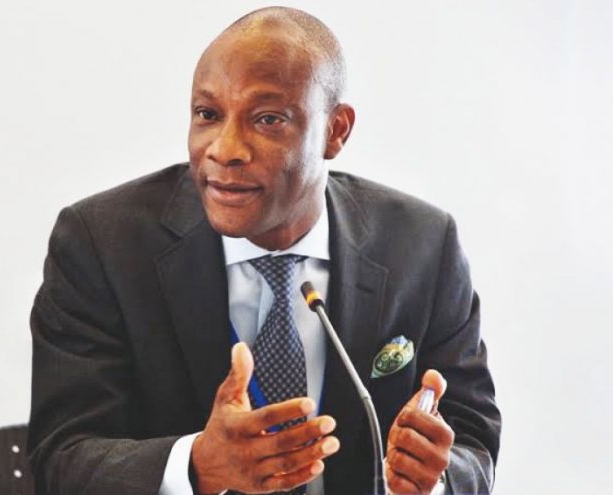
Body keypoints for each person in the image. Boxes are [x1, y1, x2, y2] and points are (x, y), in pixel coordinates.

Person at [27, 6, 500, 495]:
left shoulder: (422, 246)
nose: (225, 149)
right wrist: (198, 465)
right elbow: (60, 458)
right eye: (208, 115)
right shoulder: (103, 243)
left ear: (335, 130)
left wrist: (435, 479)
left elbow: (473, 441)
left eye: (268, 119)